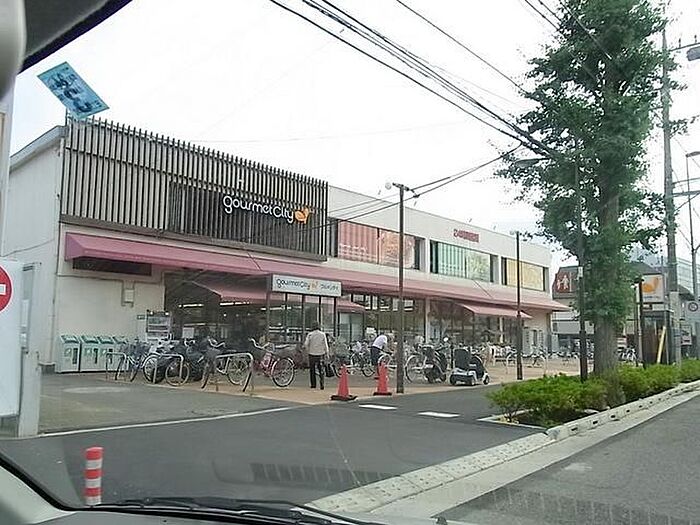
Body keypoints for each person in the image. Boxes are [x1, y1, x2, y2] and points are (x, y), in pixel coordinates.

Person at [304, 322, 329, 389]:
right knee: (321, 369)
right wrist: (327, 353)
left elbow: (306, 344)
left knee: (312, 370)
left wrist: (308, 350)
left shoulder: (310, 334)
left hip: (312, 354)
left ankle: (313, 384)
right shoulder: (322, 334)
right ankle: (322, 384)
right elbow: (325, 345)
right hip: (320, 354)